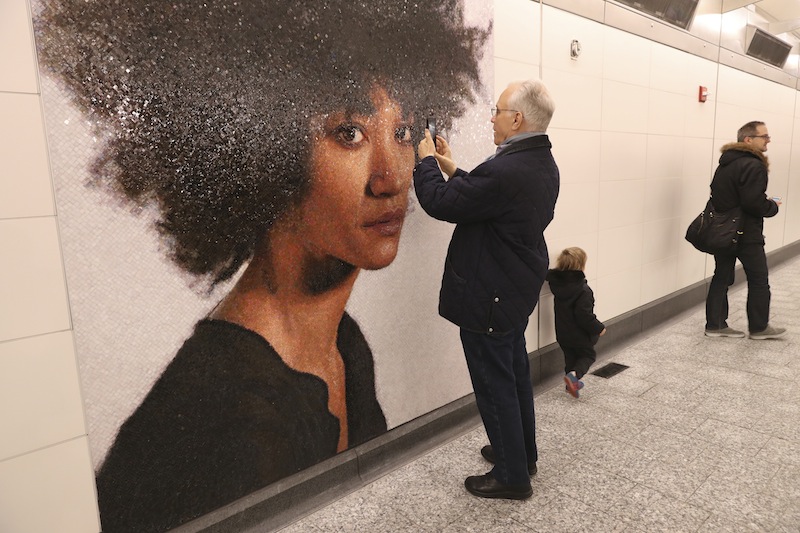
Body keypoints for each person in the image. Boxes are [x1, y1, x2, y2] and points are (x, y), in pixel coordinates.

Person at [34, 1, 488, 531]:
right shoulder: (225, 422)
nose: (390, 178)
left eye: (403, 133)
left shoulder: (345, 348)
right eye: (349, 133)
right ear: (269, 157)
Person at [413, 79, 559, 500]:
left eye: (497, 111)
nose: (491, 118)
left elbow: (440, 202)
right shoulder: (540, 162)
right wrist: (452, 169)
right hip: (513, 291)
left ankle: (512, 476)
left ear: (517, 119)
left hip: (490, 295)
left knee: (495, 384)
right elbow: (489, 198)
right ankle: (521, 454)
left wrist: (425, 162)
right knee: (513, 376)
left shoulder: (507, 169)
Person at [704, 121, 785, 341]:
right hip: (746, 233)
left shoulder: (726, 163)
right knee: (759, 279)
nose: (768, 140)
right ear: (748, 140)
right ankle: (759, 328)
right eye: (764, 136)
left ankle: (715, 325)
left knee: (722, 277)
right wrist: (771, 206)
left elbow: (722, 195)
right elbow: (753, 203)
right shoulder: (753, 164)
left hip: (723, 231)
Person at [546, 247, 606, 398]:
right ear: (581, 265)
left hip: (563, 333)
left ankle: (571, 384)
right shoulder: (583, 290)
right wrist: (599, 328)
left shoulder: (557, 286)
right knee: (588, 356)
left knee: (571, 358)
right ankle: (574, 376)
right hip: (580, 335)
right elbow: (584, 315)